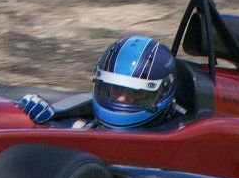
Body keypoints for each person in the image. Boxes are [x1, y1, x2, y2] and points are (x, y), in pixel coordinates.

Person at [17, 35, 180, 128]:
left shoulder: (178, 133)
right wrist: (42, 123)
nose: (121, 99)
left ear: (162, 92)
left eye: (135, 93)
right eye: (115, 89)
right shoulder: (85, 125)